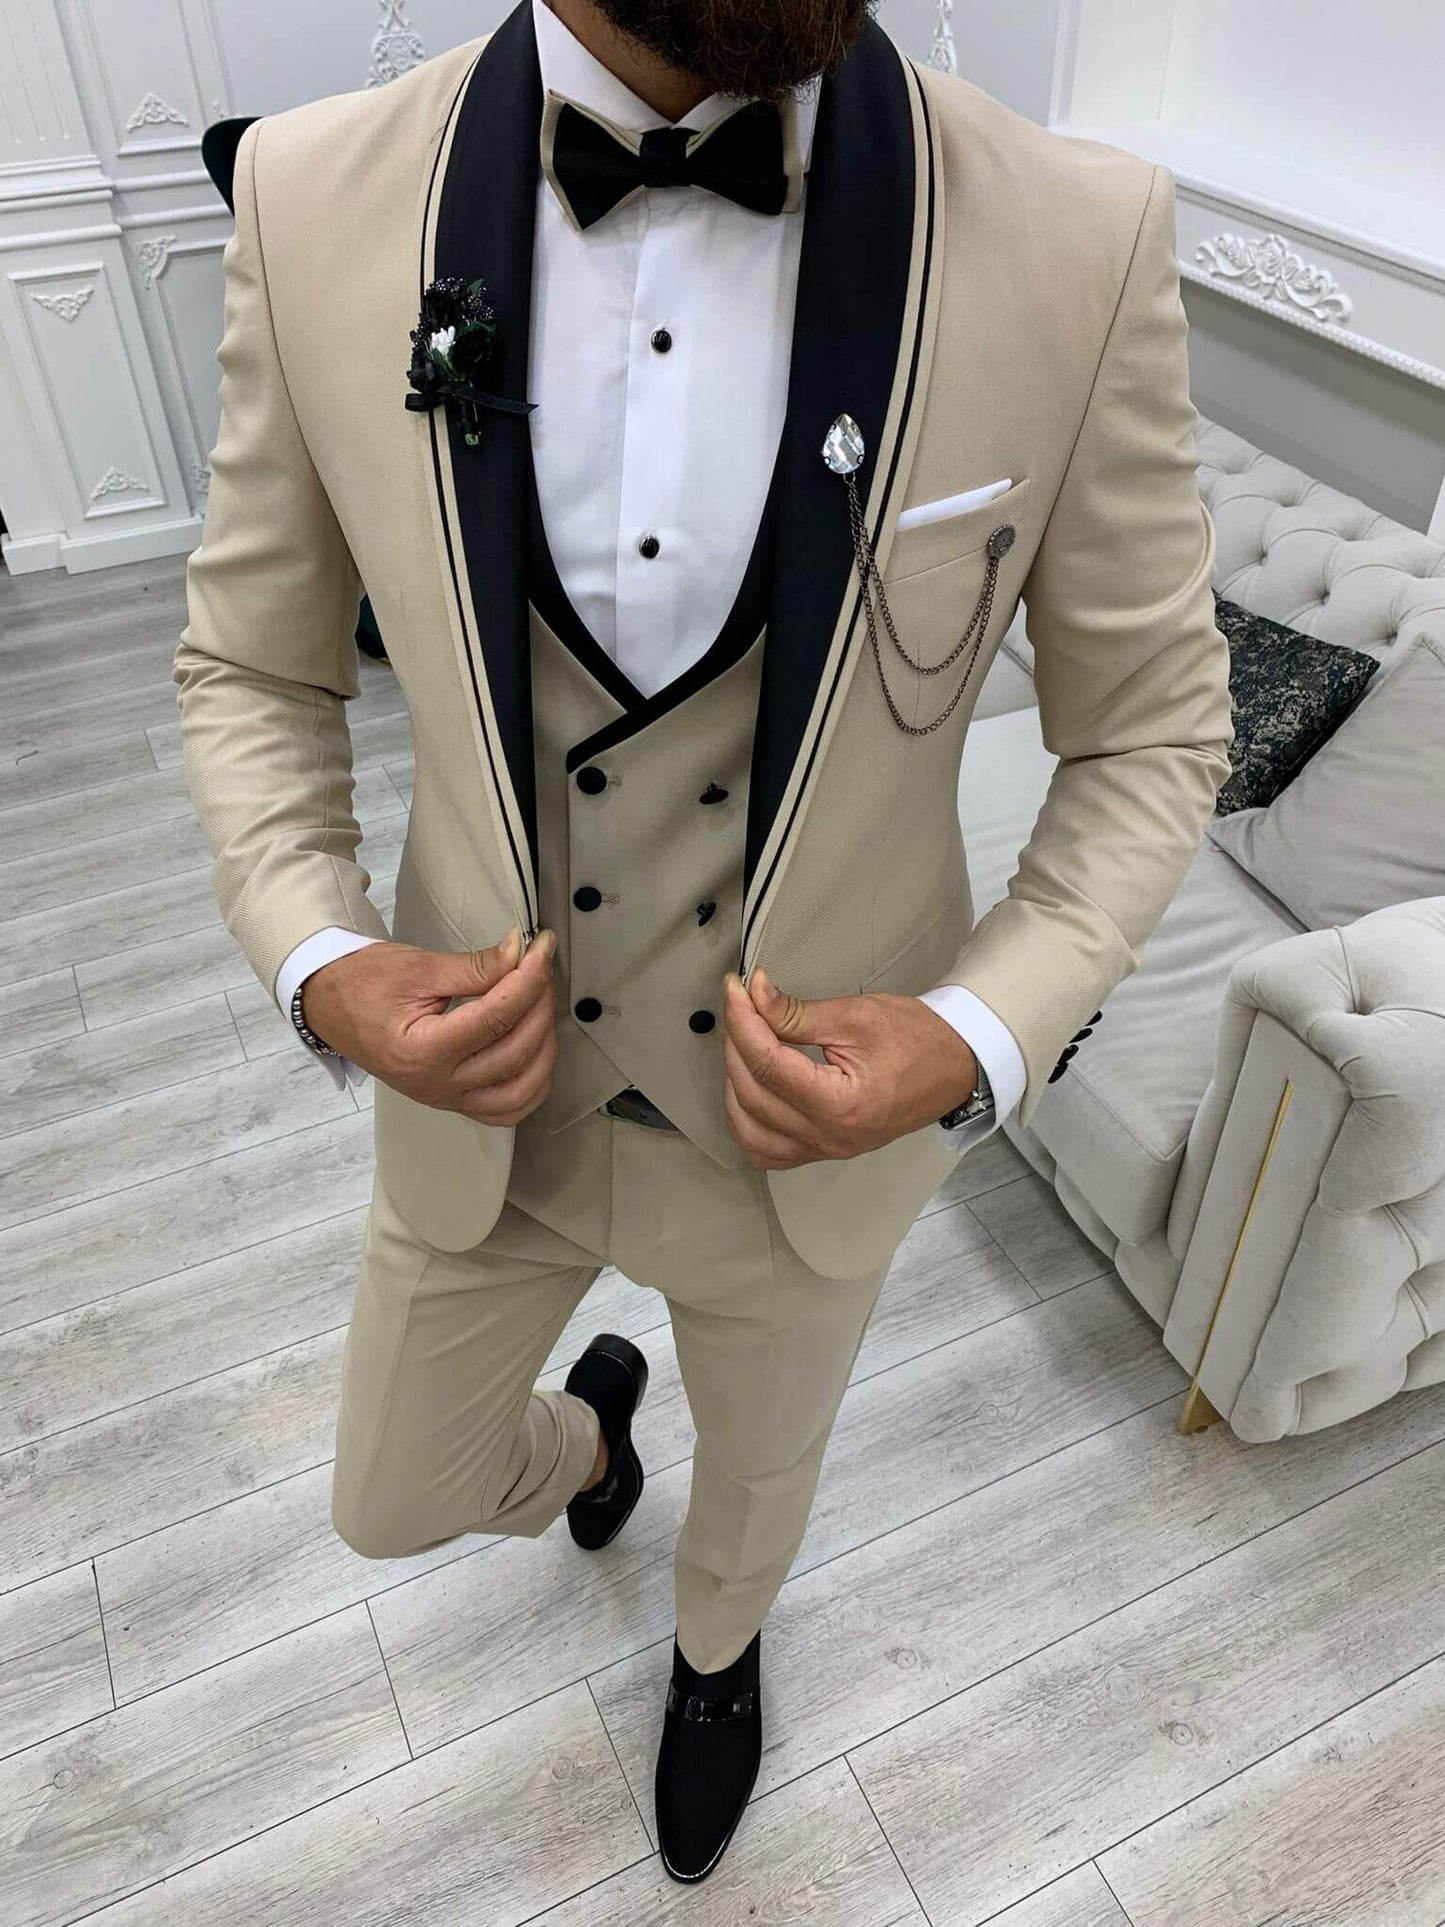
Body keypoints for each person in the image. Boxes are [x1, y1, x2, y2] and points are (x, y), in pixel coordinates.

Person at [175, 0, 1232, 1883]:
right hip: (485, 1111)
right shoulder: (311, 194)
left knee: (759, 1491)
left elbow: (1152, 728)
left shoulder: (1079, 233)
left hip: (807, 1135)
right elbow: (250, 665)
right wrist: (319, 960)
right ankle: (595, 1447)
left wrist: (980, 1034)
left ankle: (719, 1658)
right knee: (389, 1495)